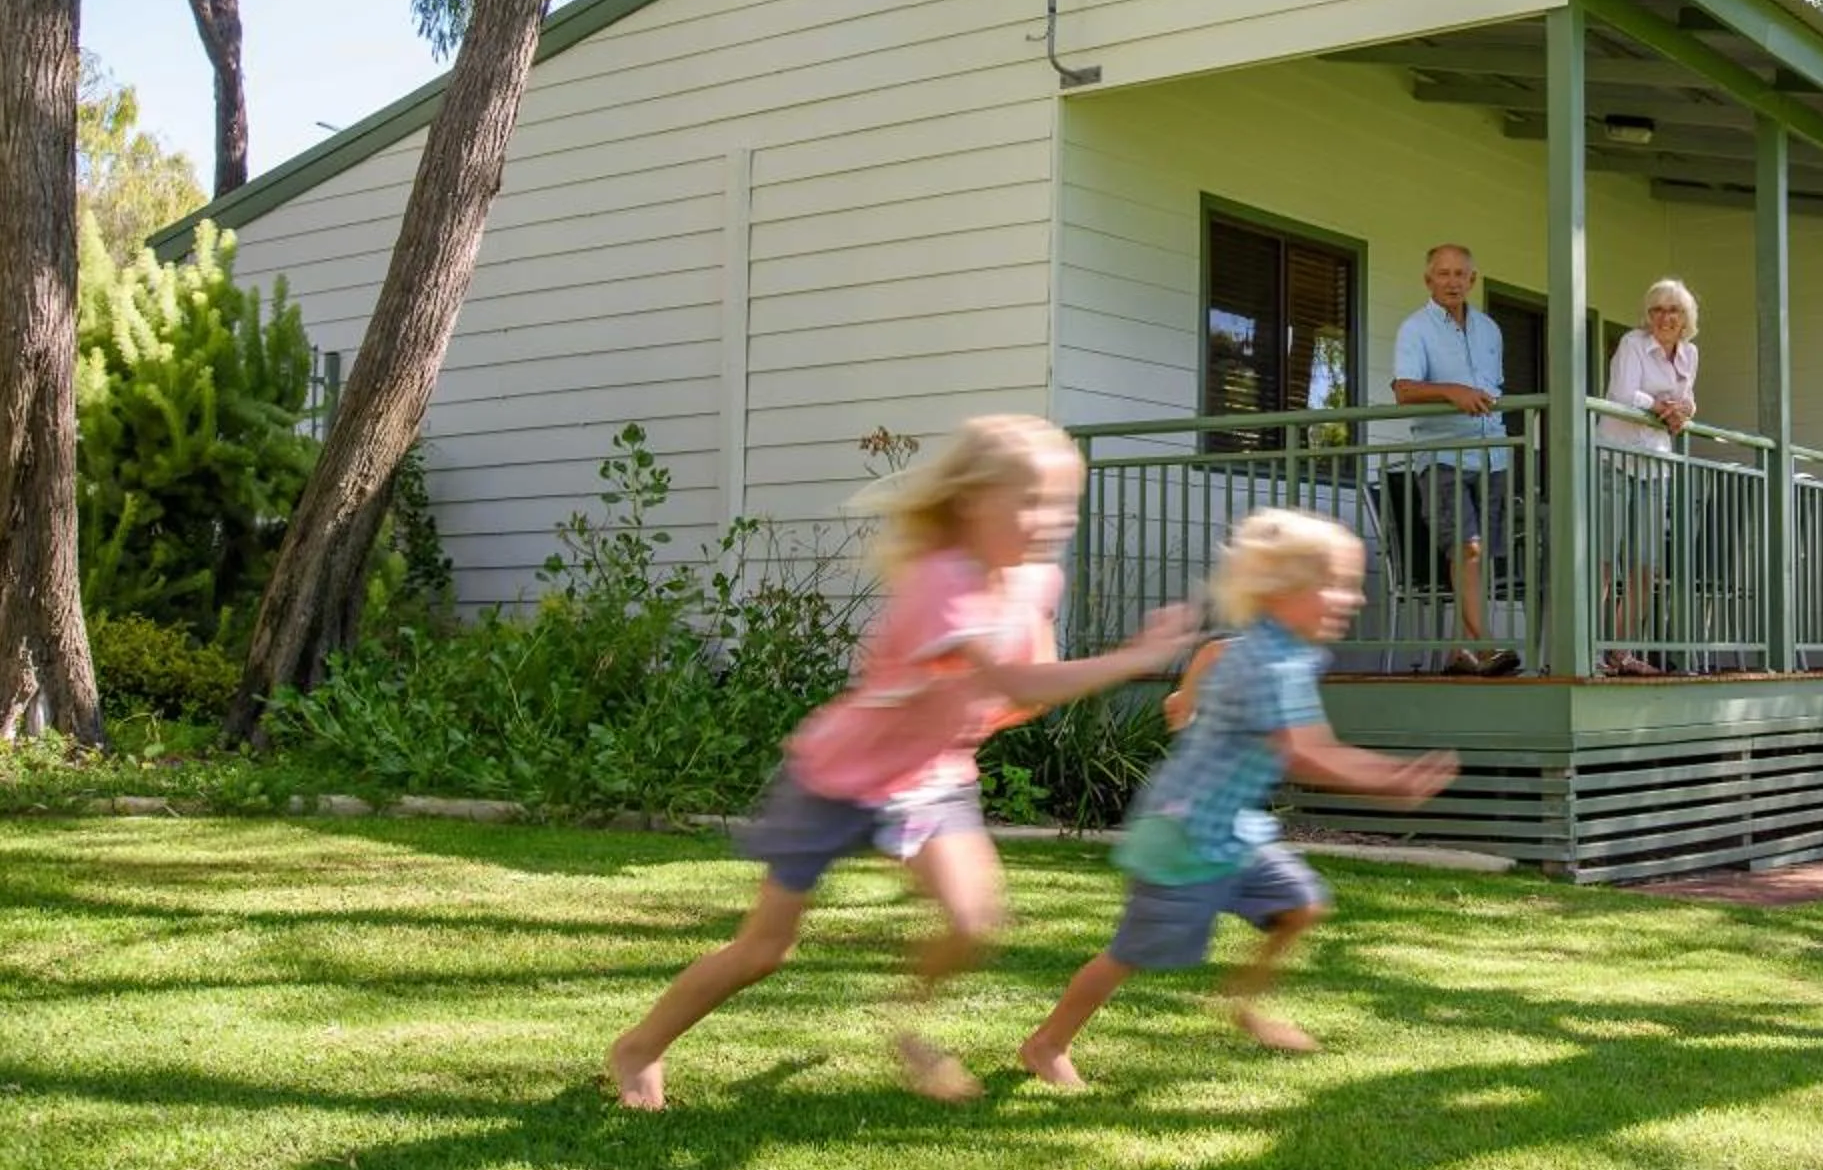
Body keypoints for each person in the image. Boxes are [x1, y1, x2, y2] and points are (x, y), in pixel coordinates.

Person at [608, 415, 1193, 1109]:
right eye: (1032, 501)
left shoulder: (1032, 581)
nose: (1052, 521)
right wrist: (1132, 660)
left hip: (931, 779)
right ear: (973, 500)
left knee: (973, 919)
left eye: (1065, 504)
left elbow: (1017, 680)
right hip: (838, 779)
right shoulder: (940, 582)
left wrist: (995, 704)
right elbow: (1018, 681)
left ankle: (909, 1026)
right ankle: (637, 1047)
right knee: (765, 950)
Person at [1018, 509, 1456, 1088]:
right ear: (1280, 593)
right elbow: (1303, 752)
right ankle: (1047, 1045)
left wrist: (1189, 699)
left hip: (1233, 829)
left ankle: (1245, 1003)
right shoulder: (1268, 662)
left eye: (1353, 585)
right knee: (1133, 951)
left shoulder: (1283, 652)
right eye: (1336, 585)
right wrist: (1388, 779)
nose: (1351, 599)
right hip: (1185, 833)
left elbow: (1216, 655)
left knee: (1301, 906)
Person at [1390, 242, 1520, 675]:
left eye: (1460, 274)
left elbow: (1493, 389)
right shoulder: (1415, 329)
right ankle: (1482, 646)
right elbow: (1404, 390)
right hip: (1443, 455)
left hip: (1493, 456)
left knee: (1479, 556)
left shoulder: (1490, 330)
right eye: (1442, 274)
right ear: (1428, 280)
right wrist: (1451, 391)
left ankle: (1458, 652)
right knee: (1467, 547)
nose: (1452, 281)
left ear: (1472, 280)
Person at [1595, 279, 1701, 676]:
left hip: (1656, 465)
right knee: (1604, 563)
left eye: (1673, 310)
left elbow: (1686, 399)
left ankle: (1622, 654)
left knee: (1645, 567)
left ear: (1686, 317)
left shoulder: (1689, 354)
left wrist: (1682, 411)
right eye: (1656, 309)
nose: (1664, 317)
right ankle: (1587, 652)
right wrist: (1660, 406)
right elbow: (1623, 396)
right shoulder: (1632, 343)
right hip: (1616, 460)